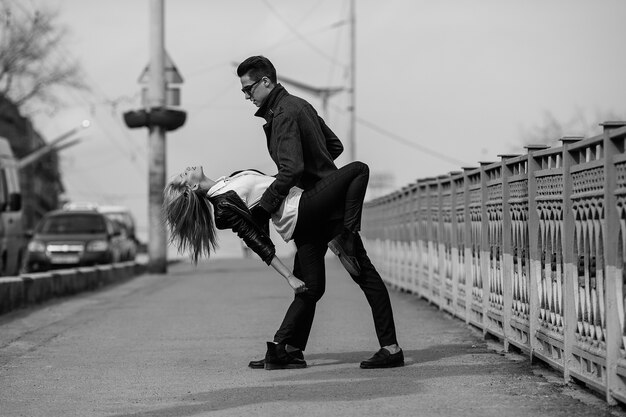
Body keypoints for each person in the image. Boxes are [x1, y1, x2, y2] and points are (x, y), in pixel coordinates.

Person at [235, 55, 403, 369]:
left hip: (317, 206)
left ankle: (391, 349)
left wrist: (262, 210)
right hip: (312, 209)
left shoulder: (284, 113)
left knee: (363, 274)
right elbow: (333, 146)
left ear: (266, 81)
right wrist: (320, 170)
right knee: (310, 282)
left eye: (249, 89)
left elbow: (290, 170)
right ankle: (290, 349)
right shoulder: (299, 106)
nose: (247, 96)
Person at [163, 161, 391, 369]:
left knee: (312, 288)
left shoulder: (227, 181)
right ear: (191, 188)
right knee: (359, 170)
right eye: (184, 175)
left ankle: (283, 349)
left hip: (301, 219)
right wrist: (289, 276)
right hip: (301, 210)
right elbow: (256, 240)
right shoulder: (223, 207)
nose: (186, 168)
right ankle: (348, 234)